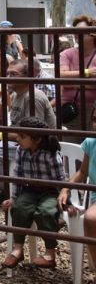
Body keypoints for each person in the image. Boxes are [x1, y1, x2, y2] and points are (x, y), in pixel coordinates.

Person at [0, 59, 57, 206]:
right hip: (20, 144)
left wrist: (0, 135)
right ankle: (11, 189)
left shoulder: (33, 97)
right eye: (7, 73)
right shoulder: (16, 95)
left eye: (13, 74)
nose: (8, 77)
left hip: (39, 149)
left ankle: (17, 189)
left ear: (28, 76)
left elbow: (34, 134)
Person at [1, 117, 65, 269]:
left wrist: (64, 198)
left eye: (22, 137)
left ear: (36, 139)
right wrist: (13, 198)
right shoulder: (20, 151)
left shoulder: (50, 154)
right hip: (30, 189)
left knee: (45, 212)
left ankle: (50, 253)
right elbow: (17, 176)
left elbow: (61, 179)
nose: (18, 139)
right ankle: (18, 248)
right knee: (19, 208)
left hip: (50, 190)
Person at [58, 107, 96, 270]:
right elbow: (82, 172)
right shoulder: (90, 142)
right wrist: (65, 189)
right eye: (94, 119)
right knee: (91, 219)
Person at [59, 15, 96, 129]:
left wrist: (70, 83)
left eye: (81, 31)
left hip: (94, 111)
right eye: (75, 31)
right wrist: (87, 72)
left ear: (92, 33)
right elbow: (61, 76)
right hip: (69, 109)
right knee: (70, 145)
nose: (76, 34)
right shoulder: (67, 53)